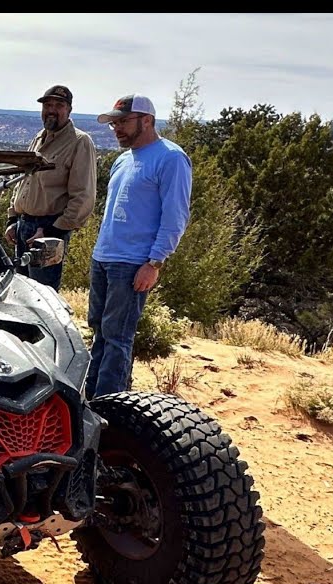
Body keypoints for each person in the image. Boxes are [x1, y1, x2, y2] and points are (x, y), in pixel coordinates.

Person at [84, 94, 192, 398]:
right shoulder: (123, 159)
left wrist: (154, 262)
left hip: (132, 262)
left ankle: (109, 407)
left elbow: (176, 215)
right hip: (104, 257)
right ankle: (91, 400)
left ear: (147, 120)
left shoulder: (170, 158)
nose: (117, 128)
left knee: (117, 337)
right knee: (100, 332)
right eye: (114, 123)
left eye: (123, 122)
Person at [5, 84, 98, 291]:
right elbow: (24, 181)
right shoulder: (39, 137)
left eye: (59, 105)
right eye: (47, 105)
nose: (51, 110)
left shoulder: (79, 142)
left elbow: (83, 197)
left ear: (69, 110)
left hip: (49, 229)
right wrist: (13, 219)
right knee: (20, 291)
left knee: (41, 294)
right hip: (24, 225)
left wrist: (50, 232)